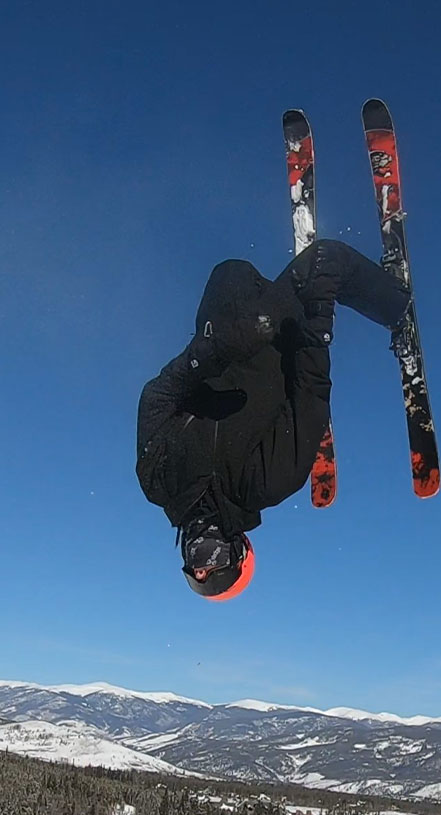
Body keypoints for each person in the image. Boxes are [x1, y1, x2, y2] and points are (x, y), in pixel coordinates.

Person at [136, 239, 411, 601]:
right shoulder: (265, 484)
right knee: (325, 260)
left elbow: (156, 398)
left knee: (229, 270)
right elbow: (311, 390)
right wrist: (317, 323)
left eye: (194, 569)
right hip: (277, 337)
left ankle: (251, 306)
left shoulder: (158, 481)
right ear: (238, 549)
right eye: (215, 564)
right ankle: (397, 307)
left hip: (222, 332)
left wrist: (204, 357)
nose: (201, 561)